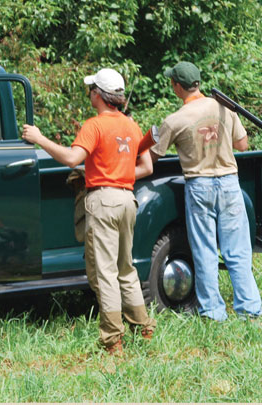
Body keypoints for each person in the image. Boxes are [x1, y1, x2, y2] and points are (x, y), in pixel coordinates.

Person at [23, 68, 156, 354]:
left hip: (103, 201)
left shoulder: (94, 125)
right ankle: (143, 328)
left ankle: (113, 340)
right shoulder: (132, 126)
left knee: (105, 273)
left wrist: (40, 138)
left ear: (98, 94)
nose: (89, 93)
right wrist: (118, 173)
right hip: (127, 200)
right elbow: (147, 167)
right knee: (126, 268)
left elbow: (72, 158)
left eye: (91, 89)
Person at [149, 61, 262, 321]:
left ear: (177, 86)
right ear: (198, 82)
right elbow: (242, 144)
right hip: (229, 183)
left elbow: (153, 157)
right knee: (238, 251)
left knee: (205, 251)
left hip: (199, 185)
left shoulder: (175, 120)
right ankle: (250, 309)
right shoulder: (225, 108)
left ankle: (213, 312)